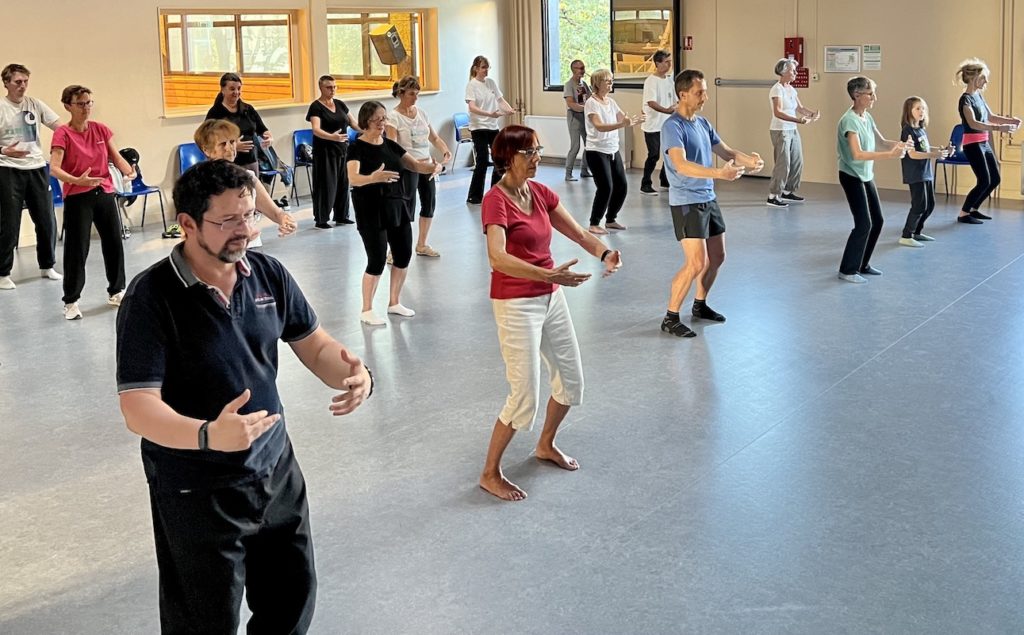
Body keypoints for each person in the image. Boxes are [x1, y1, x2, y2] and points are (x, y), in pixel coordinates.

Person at [115, 159, 374, 634]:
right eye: (229, 220)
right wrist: (208, 435)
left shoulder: (267, 274)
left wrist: (355, 376)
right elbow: (138, 407)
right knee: (204, 618)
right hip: (196, 483)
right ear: (188, 224)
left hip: (274, 468)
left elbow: (313, 344)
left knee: (291, 599)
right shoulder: (151, 297)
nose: (246, 230)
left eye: (251, 215)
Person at [479, 124, 622, 501]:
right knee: (523, 394)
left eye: (538, 151)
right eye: (529, 153)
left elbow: (577, 233)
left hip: (551, 296)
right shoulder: (496, 200)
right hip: (515, 302)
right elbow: (497, 257)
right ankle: (490, 473)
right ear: (508, 157)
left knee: (571, 381)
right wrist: (547, 273)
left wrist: (604, 253)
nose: (537, 159)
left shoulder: (540, 193)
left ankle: (545, 444)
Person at [660, 69, 764, 338]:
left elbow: (727, 152)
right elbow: (681, 165)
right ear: (683, 94)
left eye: (704, 91)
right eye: (699, 92)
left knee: (717, 257)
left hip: (708, 198)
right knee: (695, 263)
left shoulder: (702, 123)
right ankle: (671, 316)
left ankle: (700, 305)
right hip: (686, 201)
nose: (705, 96)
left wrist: (750, 161)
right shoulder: (673, 127)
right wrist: (719, 173)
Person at [347, 101, 441, 326]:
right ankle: (367, 309)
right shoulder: (356, 147)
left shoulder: (391, 146)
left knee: (402, 255)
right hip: (370, 210)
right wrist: (373, 178)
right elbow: (353, 178)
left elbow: (416, 166)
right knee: (377, 259)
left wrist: (434, 167)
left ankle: (394, 302)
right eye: (377, 119)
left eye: (384, 119)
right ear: (366, 121)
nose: (382, 123)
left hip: (396, 207)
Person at [49, 85, 131, 321]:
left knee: (114, 242)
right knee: (77, 249)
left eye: (89, 103)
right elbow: (54, 168)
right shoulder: (62, 134)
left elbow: (115, 156)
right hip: (77, 195)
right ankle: (71, 301)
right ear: (68, 106)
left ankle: (117, 291)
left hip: (103, 191)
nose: (86, 108)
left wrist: (128, 171)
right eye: (80, 104)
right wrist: (76, 179)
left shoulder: (100, 130)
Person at [836, 76, 909, 284]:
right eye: (870, 94)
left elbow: (883, 142)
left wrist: (902, 145)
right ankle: (847, 270)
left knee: (877, 221)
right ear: (857, 96)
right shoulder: (849, 120)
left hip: (866, 174)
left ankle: (862, 264)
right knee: (863, 223)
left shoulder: (867, 117)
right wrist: (891, 156)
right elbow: (857, 154)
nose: (874, 98)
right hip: (851, 175)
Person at [0, 63, 63, 291]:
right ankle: (3, 273)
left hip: (36, 168)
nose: (23, 86)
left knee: (46, 219)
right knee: (9, 222)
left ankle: (47, 265)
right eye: (18, 82)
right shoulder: (1, 107)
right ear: (6, 83)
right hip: (8, 169)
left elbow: (59, 127)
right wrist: (4, 151)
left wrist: (74, 138)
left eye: (26, 81)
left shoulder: (34, 104)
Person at [193, 119, 297, 246]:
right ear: (206, 150)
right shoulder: (198, 182)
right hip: (216, 249)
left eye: (232, 142)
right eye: (222, 144)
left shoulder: (248, 177)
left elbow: (275, 212)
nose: (229, 148)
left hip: (249, 247)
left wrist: (285, 219)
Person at [386, 76, 452, 257]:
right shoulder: (393, 117)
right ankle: (394, 249)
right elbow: (392, 146)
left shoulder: (421, 113)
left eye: (417, 94)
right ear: (401, 94)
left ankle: (422, 244)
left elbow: (434, 138)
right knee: (406, 208)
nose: (415, 98)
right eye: (411, 94)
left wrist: (445, 151)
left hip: (427, 165)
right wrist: (411, 163)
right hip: (408, 167)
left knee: (429, 203)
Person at [954, 58, 1020, 224]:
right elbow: (973, 123)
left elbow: (990, 117)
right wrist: (1000, 129)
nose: (986, 81)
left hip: (984, 143)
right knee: (983, 180)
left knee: (995, 179)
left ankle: (974, 209)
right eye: (983, 77)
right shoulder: (965, 100)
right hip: (972, 144)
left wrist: (1010, 121)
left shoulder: (979, 97)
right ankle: (963, 213)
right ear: (973, 78)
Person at [584, 69, 644, 235]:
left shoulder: (611, 102)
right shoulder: (591, 103)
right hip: (596, 151)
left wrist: (633, 121)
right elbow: (599, 126)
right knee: (605, 187)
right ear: (598, 83)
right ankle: (594, 223)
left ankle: (611, 219)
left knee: (622, 186)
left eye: (611, 80)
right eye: (607, 81)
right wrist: (622, 125)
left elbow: (622, 119)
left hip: (612, 149)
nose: (611, 84)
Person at [306, 75, 360, 228]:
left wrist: (368, 130)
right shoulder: (316, 106)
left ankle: (342, 215)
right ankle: (321, 218)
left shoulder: (340, 104)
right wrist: (332, 137)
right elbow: (316, 129)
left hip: (342, 150)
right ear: (321, 88)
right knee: (326, 185)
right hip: (325, 152)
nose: (332, 90)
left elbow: (353, 123)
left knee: (343, 183)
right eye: (329, 87)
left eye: (334, 87)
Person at [898, 97, 951, 248]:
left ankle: (917, 232)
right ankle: (906, 235)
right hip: (915, 173)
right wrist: (935, 156)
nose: (921, 111)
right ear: (909, 111)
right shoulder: (907, 131)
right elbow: (912, 154)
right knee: (919, 205)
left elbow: (925, 149)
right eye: (917, 108)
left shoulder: (920, 130)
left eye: (923, 108)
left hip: (926, 172)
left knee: (930, 205)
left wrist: (942, 151)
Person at [767, 58, 819, 208]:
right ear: (783, 72)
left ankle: (788, 192)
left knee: (797, 162)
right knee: (783, 164)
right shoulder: (777, 89)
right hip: (780, 130)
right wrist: (799, 121)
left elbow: (800, 108)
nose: (796, 73)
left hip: (792, 129)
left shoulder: (791, 88)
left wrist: (812, 114)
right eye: (793, 70)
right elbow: (778, 112)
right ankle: (773, 196)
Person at [464, 55, 516, 205]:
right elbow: (472, 107)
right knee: (482, 161)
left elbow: (500, 100)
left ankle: (496, 191)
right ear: (476, 69)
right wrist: (489, 114)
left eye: (488, 67)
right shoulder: (472, 85)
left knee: (500, 159)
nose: (486, 71)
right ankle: (474, 196)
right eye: (483, 68)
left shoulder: (491, 83)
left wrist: (509, 109)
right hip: (478, 127)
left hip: (492, 127)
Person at [205, 73, 272, 175]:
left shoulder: (248, 109)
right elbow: (207, 139)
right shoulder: (215, 112)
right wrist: (233, 146)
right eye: (232, 89)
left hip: (251, 161)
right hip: (227, 162)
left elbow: (262, 129)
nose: (236, 92)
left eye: (239, 89)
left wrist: (269, 138)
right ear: (223, 90)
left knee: (252, 189)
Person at [640, 50, 676, 196]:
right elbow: (651, 102)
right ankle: (645, 184)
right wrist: (666, 111)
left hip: (666, 124)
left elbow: (674, 99)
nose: (669, 64)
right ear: (658, 63)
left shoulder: (668, 80)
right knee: (654, 154)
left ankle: (665, 180)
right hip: (653, 124)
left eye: (670, 61)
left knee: (669, 154)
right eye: (666, 62)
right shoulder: (651, 81)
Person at [562, 59, 592, 181]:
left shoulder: (583, 84)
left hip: (584, 117)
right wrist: (585, 109)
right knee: (575, 146)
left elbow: (590, 98)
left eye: (583, 68)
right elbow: (570, 103)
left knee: (589, 145)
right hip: (574, 117)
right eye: (580, 68)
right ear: (573, 70)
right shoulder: (569, 85)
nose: (582, 70)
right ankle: (568, 174)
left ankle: (584, 170)